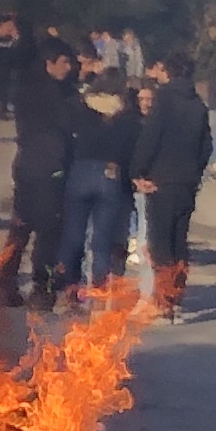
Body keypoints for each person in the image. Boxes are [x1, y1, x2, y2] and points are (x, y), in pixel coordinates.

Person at [0, 40, 79, 309]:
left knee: (20, 228)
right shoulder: (56, 95)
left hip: (25, 167)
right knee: (48, 232)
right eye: (64, 62)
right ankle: (41, 289)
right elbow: (68, 125)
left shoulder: (25, 90)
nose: (69, 68)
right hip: (49, 169)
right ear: (49, 63)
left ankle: (5, 282)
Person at [130, 54, 211, 314]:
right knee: (179, 240)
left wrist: (137, 169)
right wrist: (195, 172)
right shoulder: (198, 104)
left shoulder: (164, 100)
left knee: (160, 241)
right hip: (186, 181)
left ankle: (164, 296)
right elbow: (206, 145)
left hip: (161, 179)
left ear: (169, 73)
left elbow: (151, 137)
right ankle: (177, 290)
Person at [56, 67, 137, 298]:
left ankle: (69, 288)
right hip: (110, 173)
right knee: (102, 239)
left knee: (73, 235)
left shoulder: (79, 108)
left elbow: (65, 139)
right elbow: (131, 148)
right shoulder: (126, 115)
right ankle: (99, 290)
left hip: (79, 170)